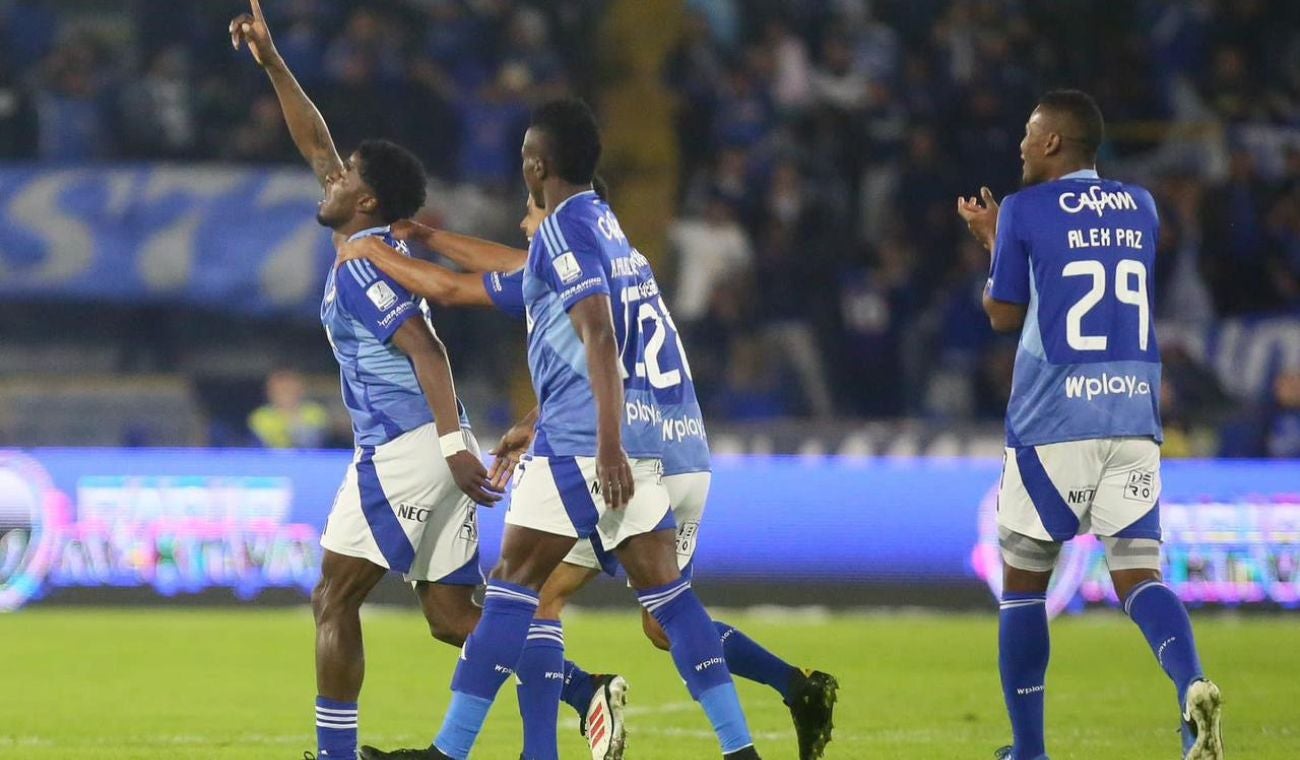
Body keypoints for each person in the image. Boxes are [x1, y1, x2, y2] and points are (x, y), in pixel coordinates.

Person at [339, 181, 839, 760]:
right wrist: (427, 235)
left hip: (616, 449)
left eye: (530, 212)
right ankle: (792, 689)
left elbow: (467, 290)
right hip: (679, 447)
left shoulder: (567, 249)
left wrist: (373, 249)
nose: (526, 226)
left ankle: (506, 751)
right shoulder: (618, 255)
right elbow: (563, 312)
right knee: (662, 616)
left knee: (528, 595)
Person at [229, 5, 507, 759]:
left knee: (333, 596)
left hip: (408, 445)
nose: (331, 175)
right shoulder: (363, 234)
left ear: (368, 201)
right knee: (452, 618)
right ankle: (583, 690)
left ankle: (335, 755)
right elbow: (314, 137)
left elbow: (427, 351)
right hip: (429, 443)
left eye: (346, 175)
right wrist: (273, 63)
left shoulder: (363, 263)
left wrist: (451, 444)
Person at [957, 90, 1224, 760]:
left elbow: (1005, 313)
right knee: (1140, 575)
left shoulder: (1023, 210)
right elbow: (1088, 272)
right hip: (1134, 414)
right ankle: (1191, 687)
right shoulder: (1142, 206)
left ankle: (1028, 750)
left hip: (1055, 420)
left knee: (1022, 587)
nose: (1020, 143)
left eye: (1028, 131)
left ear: (1053, 143)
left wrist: (997, 242)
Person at [248, 368, 330, 449]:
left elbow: (314, 441)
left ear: (300, 390)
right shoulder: (260, 416)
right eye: (280, 390)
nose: (285, 394)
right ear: (269, 392)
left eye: (289, 389)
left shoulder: (315, 412)